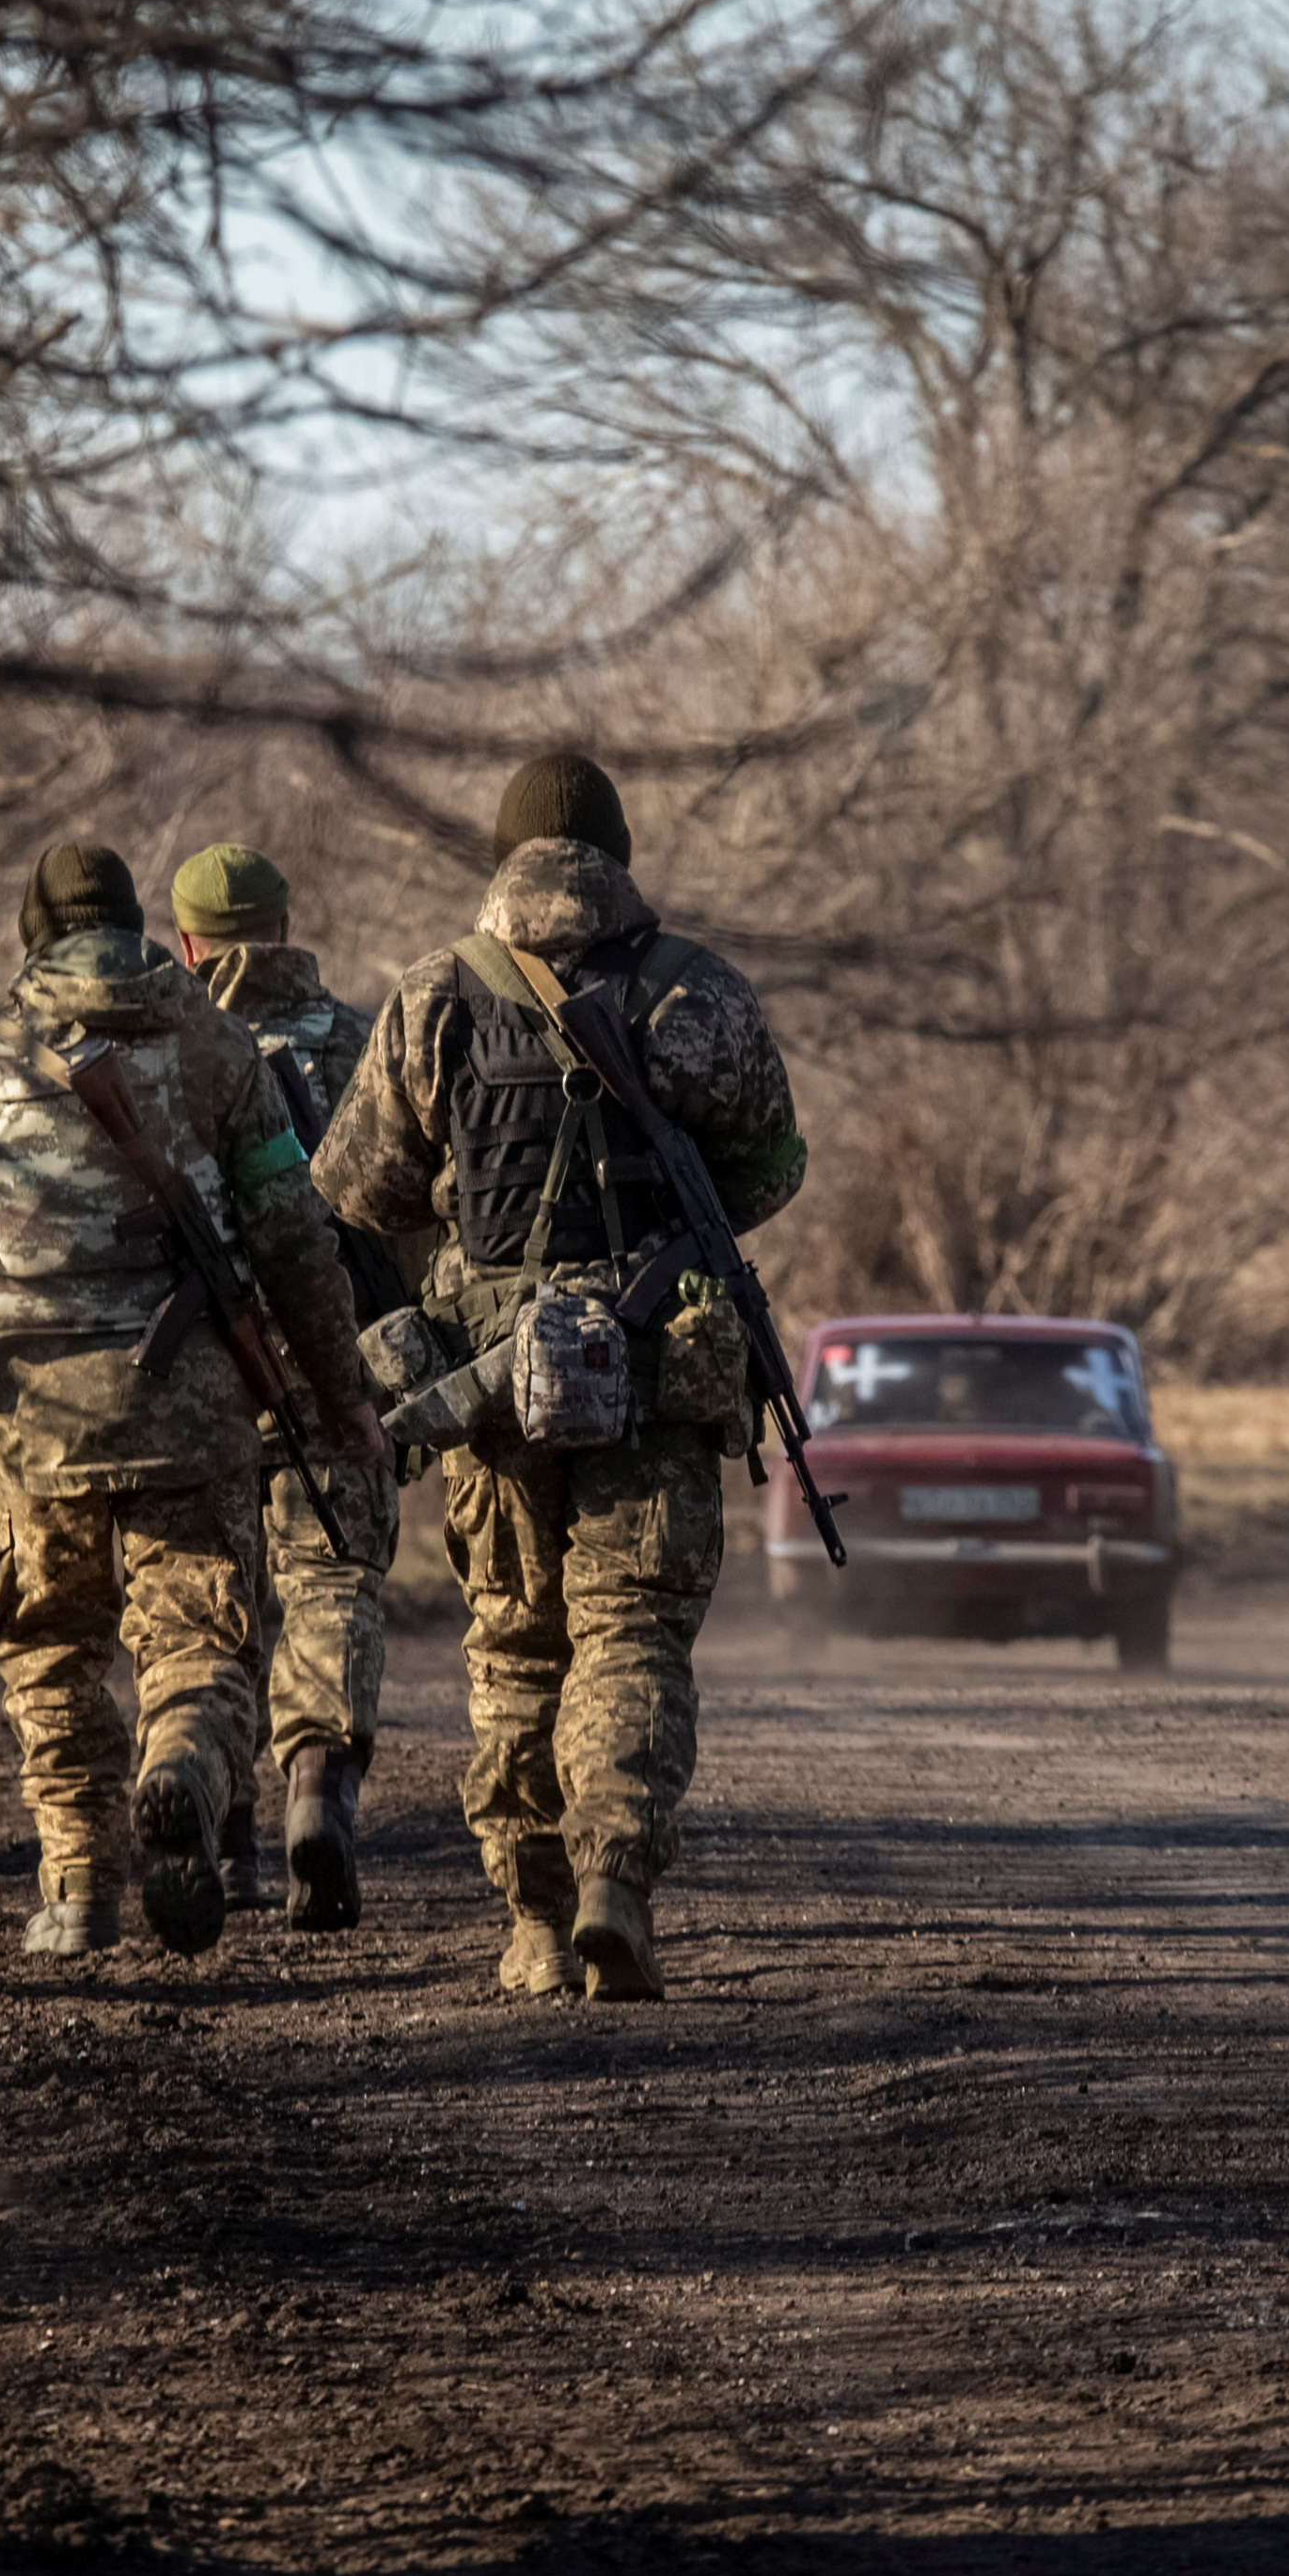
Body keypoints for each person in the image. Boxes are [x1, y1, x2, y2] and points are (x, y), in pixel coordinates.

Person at [310, 757, 806, 2002]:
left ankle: (531, 1922)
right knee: (631, 1639)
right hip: (656, 1379)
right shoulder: (700, 991)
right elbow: (771, 1168)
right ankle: (614, 1886)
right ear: (621, 853)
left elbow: (355, 1190)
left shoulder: (435, 996)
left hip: (490, 1388)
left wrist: (469, 1249)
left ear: (504, 856)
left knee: (519, 1653)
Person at [0, 840, 385, 1956]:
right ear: (140, 925)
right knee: (201, 1634)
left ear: (31, 934)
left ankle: (82, 1886)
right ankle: (188, 1773)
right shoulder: (213, 1040)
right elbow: (295, 1234)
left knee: (49, 1643)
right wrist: (340, 1397)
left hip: (33, 1413)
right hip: (193, 1407)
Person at [165, 840, 409, 1930]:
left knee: (211, 1604)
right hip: (336, 1356)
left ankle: (221, 1840)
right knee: (332, 1578)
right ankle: (316, 1785)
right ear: (284, 926)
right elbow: (417, 1213)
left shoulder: (169, 1053)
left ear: (185, 942)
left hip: (199, 1367)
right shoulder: (365, 1039)